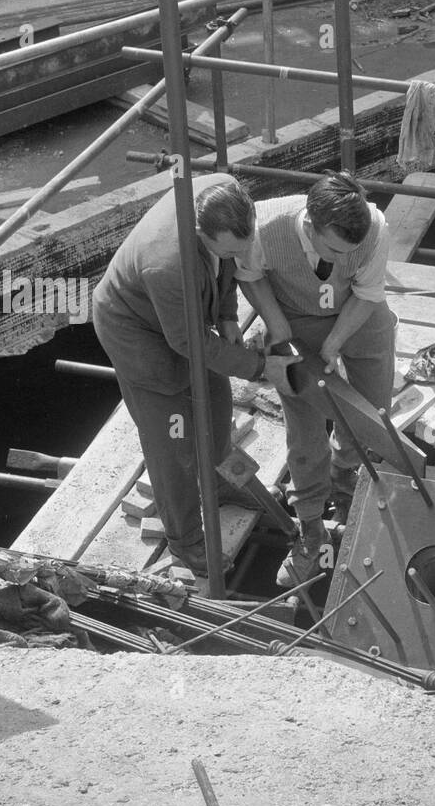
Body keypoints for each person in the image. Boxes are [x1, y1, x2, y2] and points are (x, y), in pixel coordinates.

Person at [92, 173, 297, 580]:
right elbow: (191, 344)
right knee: (173, 440)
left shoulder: (222, 192)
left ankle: (219, 483)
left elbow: (226, 264)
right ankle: (185, 540)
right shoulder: (165, 264)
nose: (239, 250)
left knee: (216, 400)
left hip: (183, 319)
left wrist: (226, 314)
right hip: (137, 334)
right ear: (202, 232)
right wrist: (259, 368)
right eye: (229, 245)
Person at [236, 170, 397, 587]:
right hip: (296, 317)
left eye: (351, 250)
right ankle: (311, 525)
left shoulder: (375, 229)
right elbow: (250, 276)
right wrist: (278, 328)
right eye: (334, 249)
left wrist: (334, 344)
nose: (342, 256)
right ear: (310, 224)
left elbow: (367, 293)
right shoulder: (263, 229)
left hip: (358, 312)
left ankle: (346, 476)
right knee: (303, 425)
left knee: (373, 409)